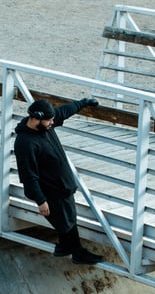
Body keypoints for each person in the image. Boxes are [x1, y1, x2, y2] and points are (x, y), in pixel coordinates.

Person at [14, 97, 103, 265]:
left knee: (68, 218)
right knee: (66, 221)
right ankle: (77, 253)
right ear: (36, 118)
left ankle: (65, 247)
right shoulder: (25, 143)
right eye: (49, 120)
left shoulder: (45, 124)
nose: (52, 123)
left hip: (63, 185)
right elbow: (28, 175)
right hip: (52, 190)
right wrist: (40, 200)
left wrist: (83, 103)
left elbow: (64, 112)